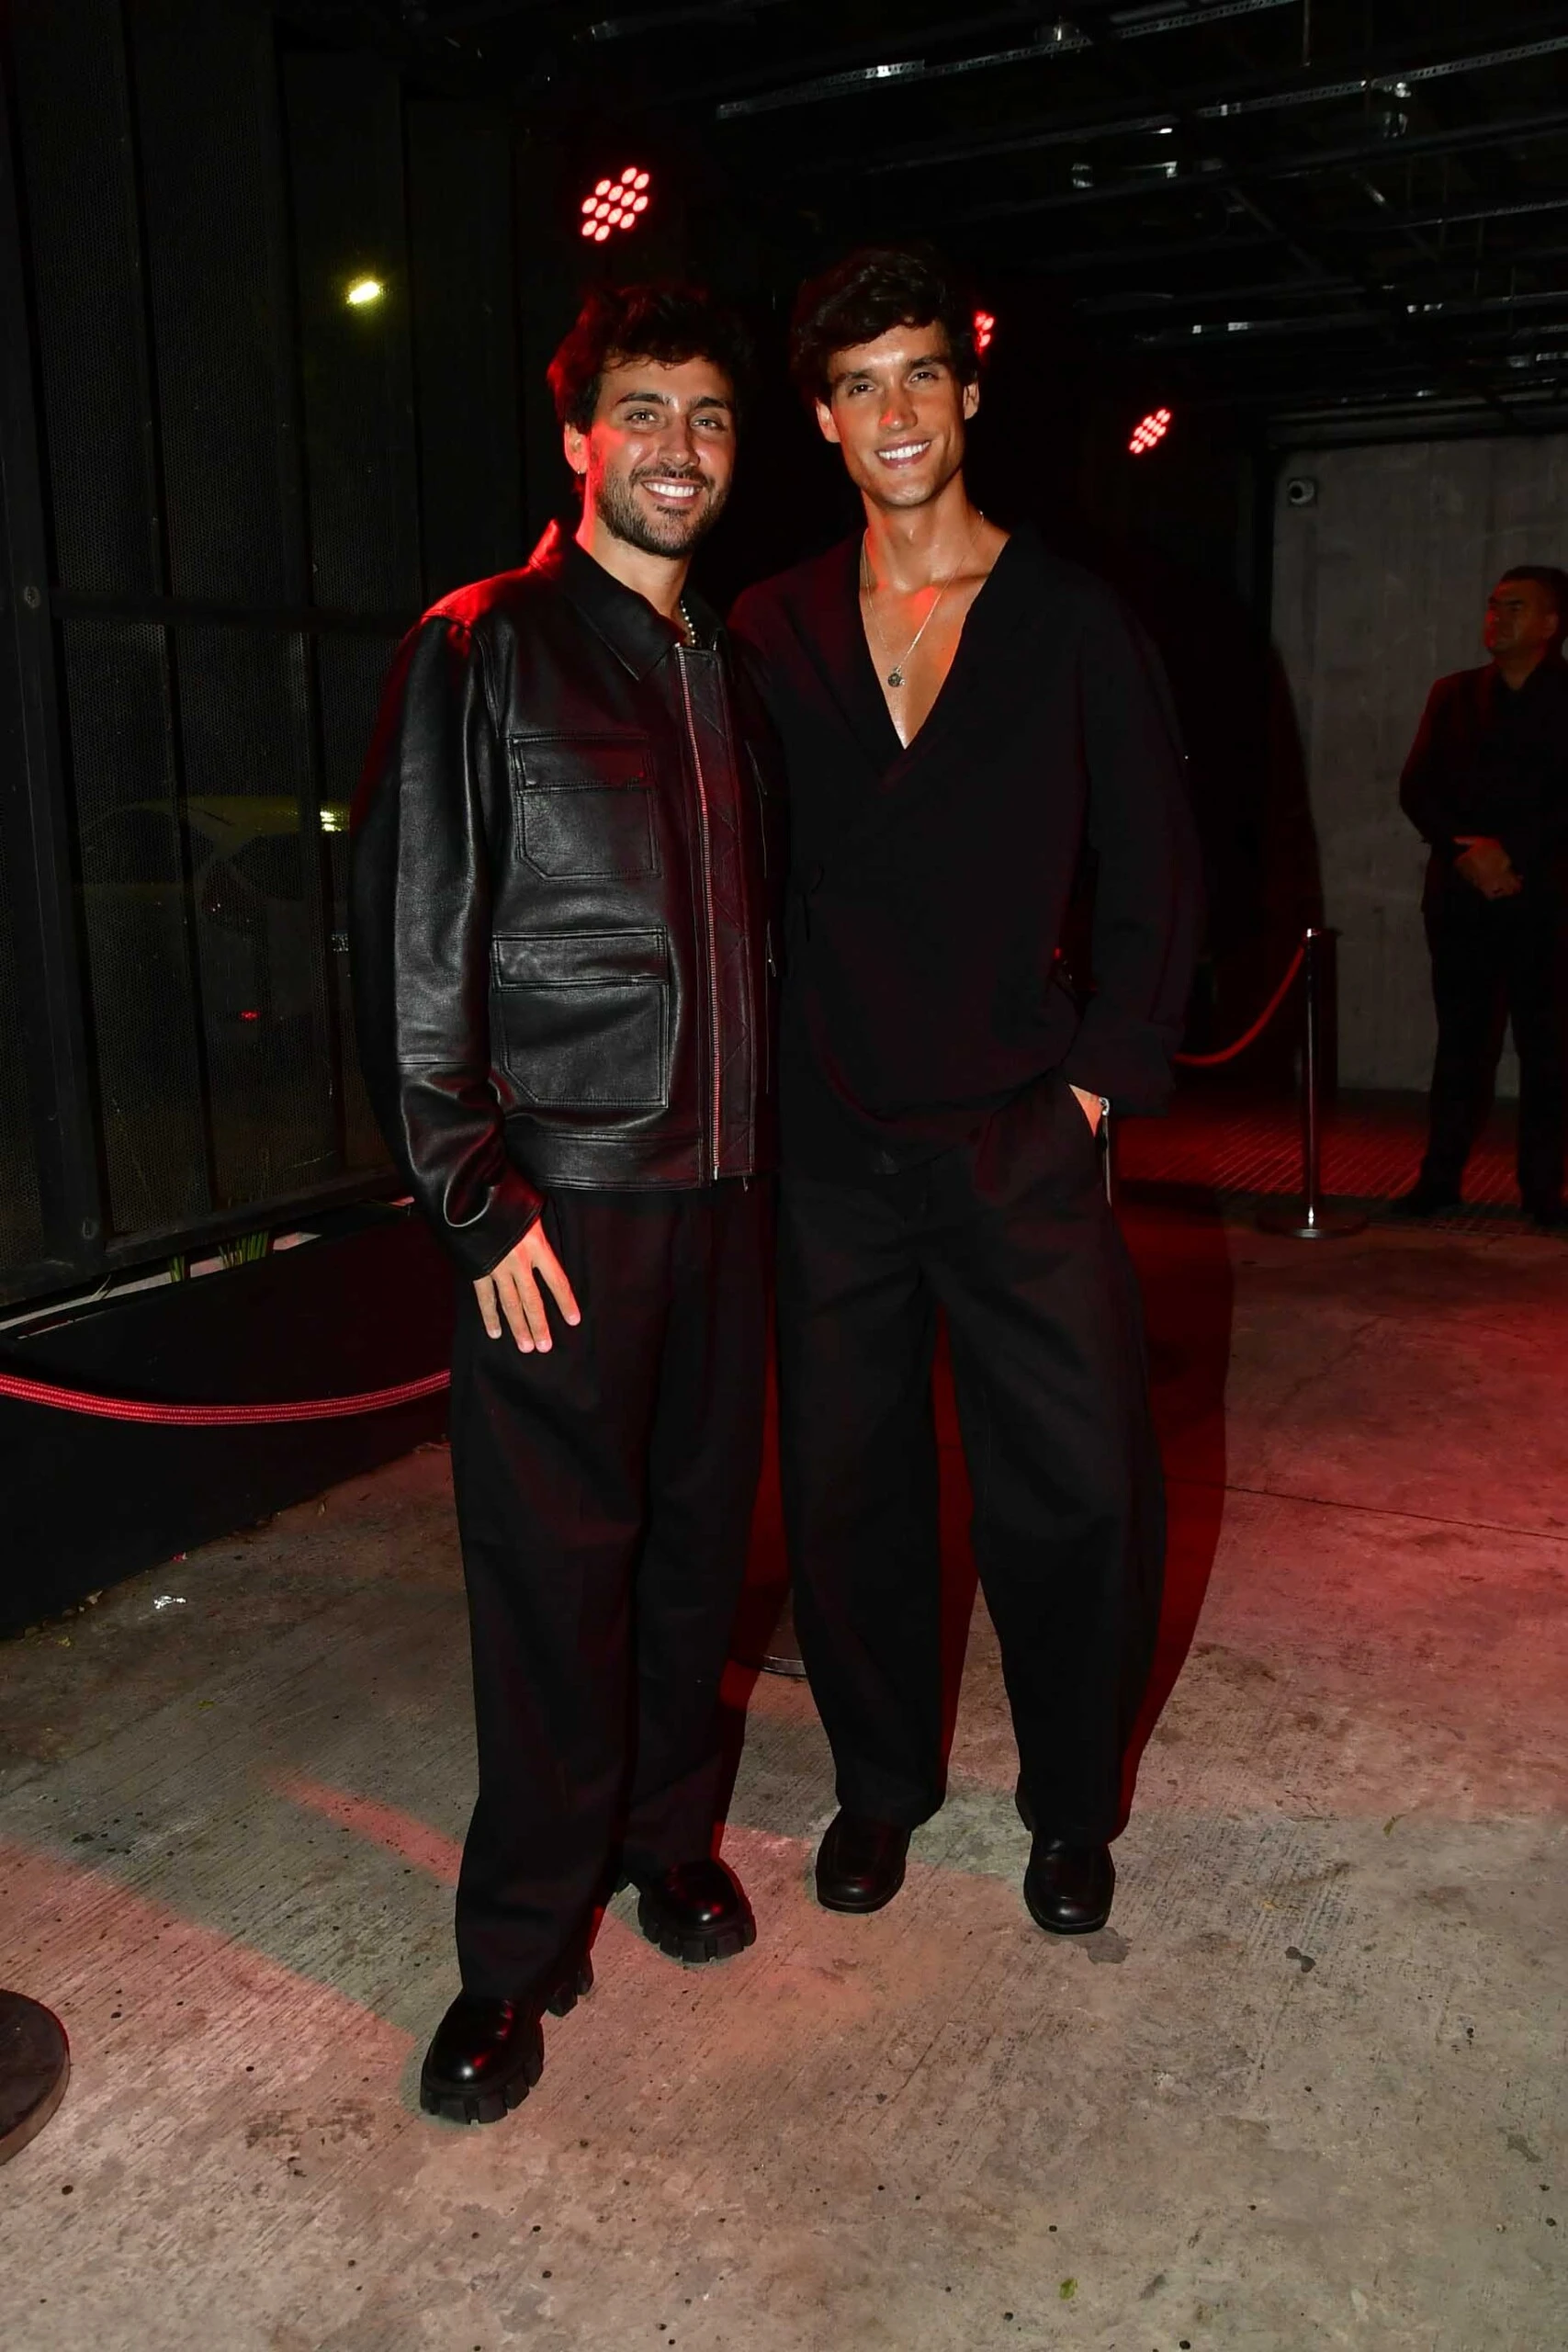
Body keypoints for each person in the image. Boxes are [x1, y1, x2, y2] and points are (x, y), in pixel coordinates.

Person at [729, 246, 1201, 1939]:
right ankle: (878, 1786)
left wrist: (1093, 1089)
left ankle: (1069, 1806)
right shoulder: (768, 625)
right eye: (859, 384)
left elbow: (1157, 864)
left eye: (919, 372)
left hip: (1017, 1130)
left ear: (968, 392)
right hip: (831, 1141)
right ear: (822, 420)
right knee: (847, 1488)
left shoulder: (1070, 618)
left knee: (1074, 1488)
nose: (894, 410)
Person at [351, 282, 782, 2126]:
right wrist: (472, 1199)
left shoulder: (731, 674)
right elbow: (411, 945)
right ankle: (517, 1946)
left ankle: (667, 1841)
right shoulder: (483, 645)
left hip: (731, 1201)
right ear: (577, 439)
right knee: (549, 1589)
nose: (679, 446)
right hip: (563, 1213)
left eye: (709, 414)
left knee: (694, 1560)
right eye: (643, 410)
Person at [1397, 565, 1568, 1226]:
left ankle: (1542, 1192)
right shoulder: (1453, 694)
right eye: (1494, 605)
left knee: (1547, 1049)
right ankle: (1437, 1180)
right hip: (1461, 895)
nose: (1497, 617)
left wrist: (1508, 853)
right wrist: (1467, 854)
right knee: (1460, 1047)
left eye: (1515, 607)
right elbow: (1417, 788)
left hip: (1545, 898)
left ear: (1551, 624)